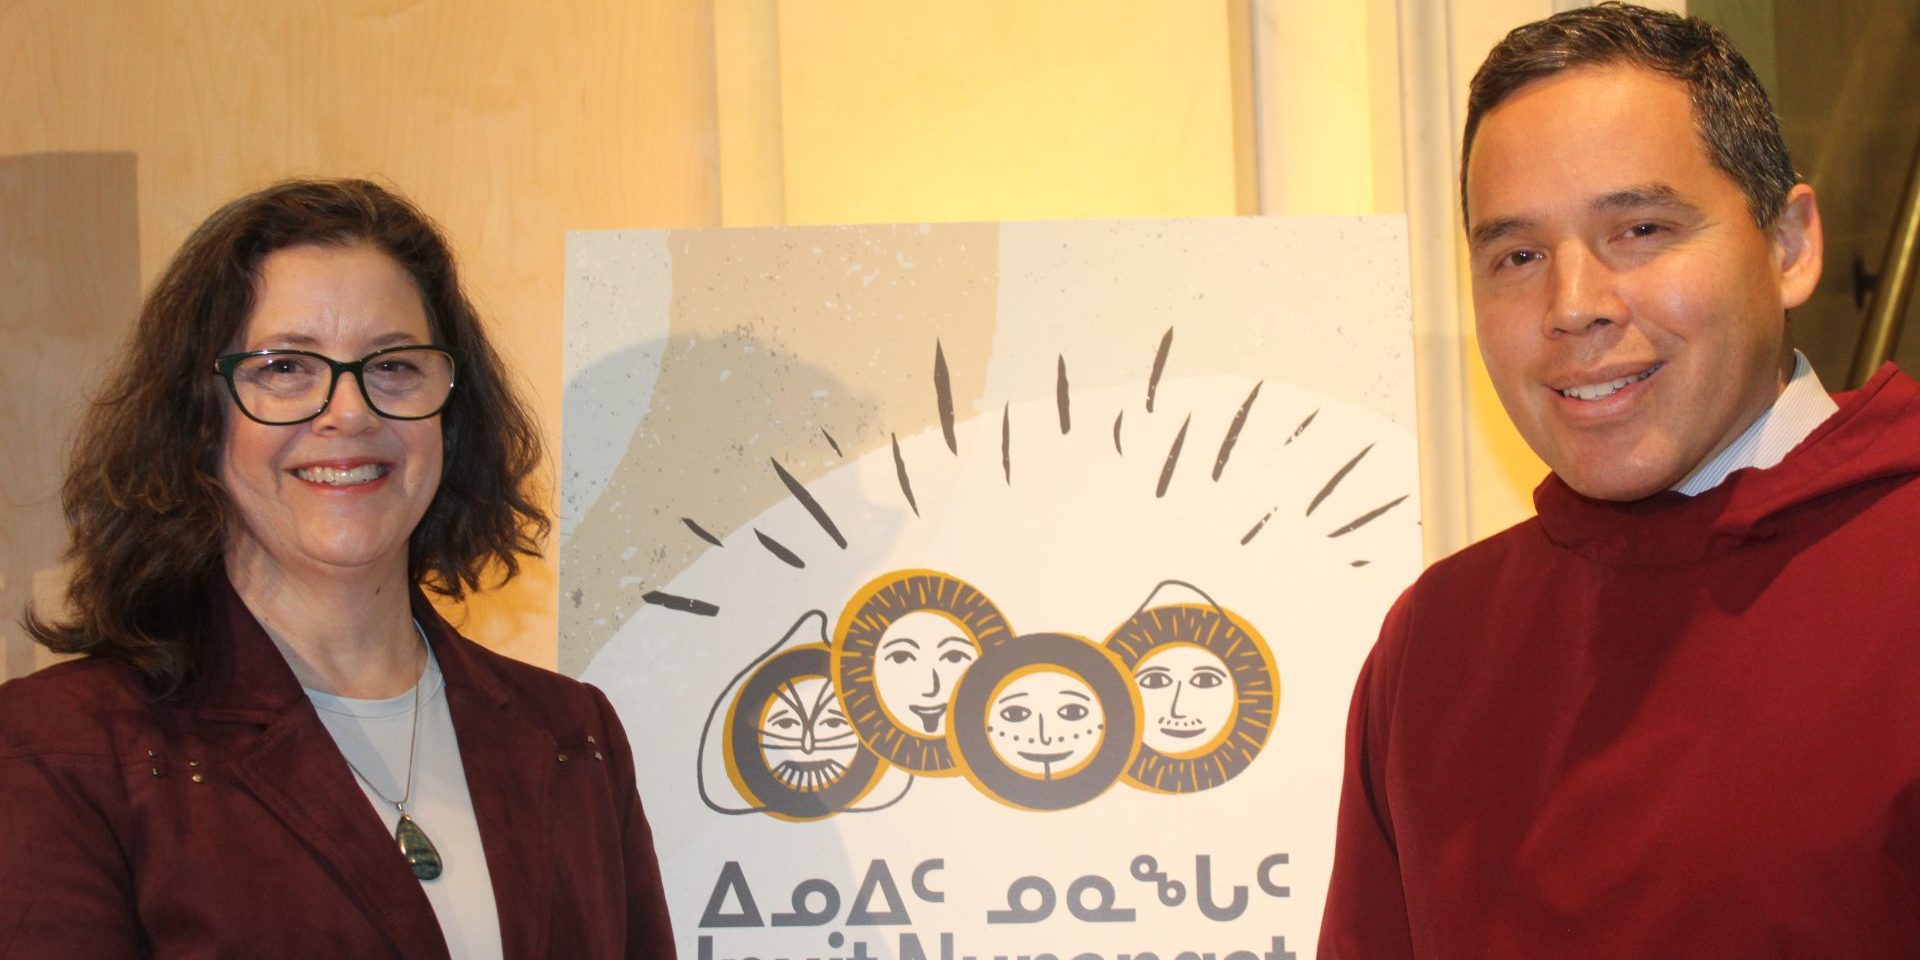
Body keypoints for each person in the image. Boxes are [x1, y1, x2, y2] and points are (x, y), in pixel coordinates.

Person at [1322, 3, 1920, 956]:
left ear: (1790, 246)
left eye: (1639, 228)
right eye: (1518, 255)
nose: (1573, 306)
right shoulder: (1438, 645)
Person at [0, 179, 676, 958]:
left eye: (393, 365)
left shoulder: (571, 737)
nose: (349, 412)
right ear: (198, 416)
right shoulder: (65, 749)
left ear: (451, 412)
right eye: (286, 367)